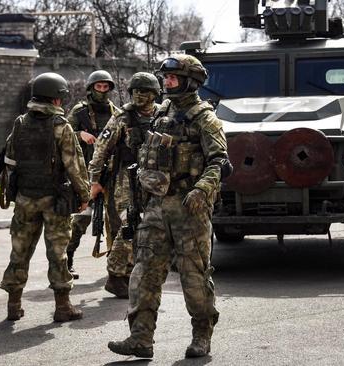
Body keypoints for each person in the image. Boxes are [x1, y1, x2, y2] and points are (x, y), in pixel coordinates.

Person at [108, 55, 232, 358]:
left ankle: (202, 334)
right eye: (166, 78)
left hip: (190, 209)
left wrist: (203, 189)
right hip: (156, 207)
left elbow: (220, 162)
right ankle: (140, 338)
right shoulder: (161, 113)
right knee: (144, 272)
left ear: (190, 81)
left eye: (173, 78)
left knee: (194, 276)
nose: (167, 83)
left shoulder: (205, 118)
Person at [0, 72, 90, 322]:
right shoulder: (62, 127)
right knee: (57, 253)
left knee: (20, 251)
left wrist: (13, 191)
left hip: (25, 198)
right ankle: (63, 308)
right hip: (55, 201)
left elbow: (10, 159)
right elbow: (75, 166)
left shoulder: (20, 122)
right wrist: (84, 195)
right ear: (57, 99)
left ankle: (13, 305)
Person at [87, 72, 161, 298]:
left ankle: (130, 272)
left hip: (154, 180)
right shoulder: (121, 118)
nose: (139, 95)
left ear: (154, 94)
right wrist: (95, 180)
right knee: (129, 227)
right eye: (135, 91)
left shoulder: (162, 115)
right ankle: (115, 274)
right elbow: (101, 150)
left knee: (148, 230)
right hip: (124, 181)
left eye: (144, 91)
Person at [67, 70, 120, 278]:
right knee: (81, 219)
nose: (102, 90)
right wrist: (80, 134)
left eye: (105, 87)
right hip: (85, 174)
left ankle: (115, 264)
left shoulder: (115, 112)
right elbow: (62, 134)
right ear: (91, 88)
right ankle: (67, 259)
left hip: (111, 173)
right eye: (98, 86)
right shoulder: (80, 111)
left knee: (115, 221)